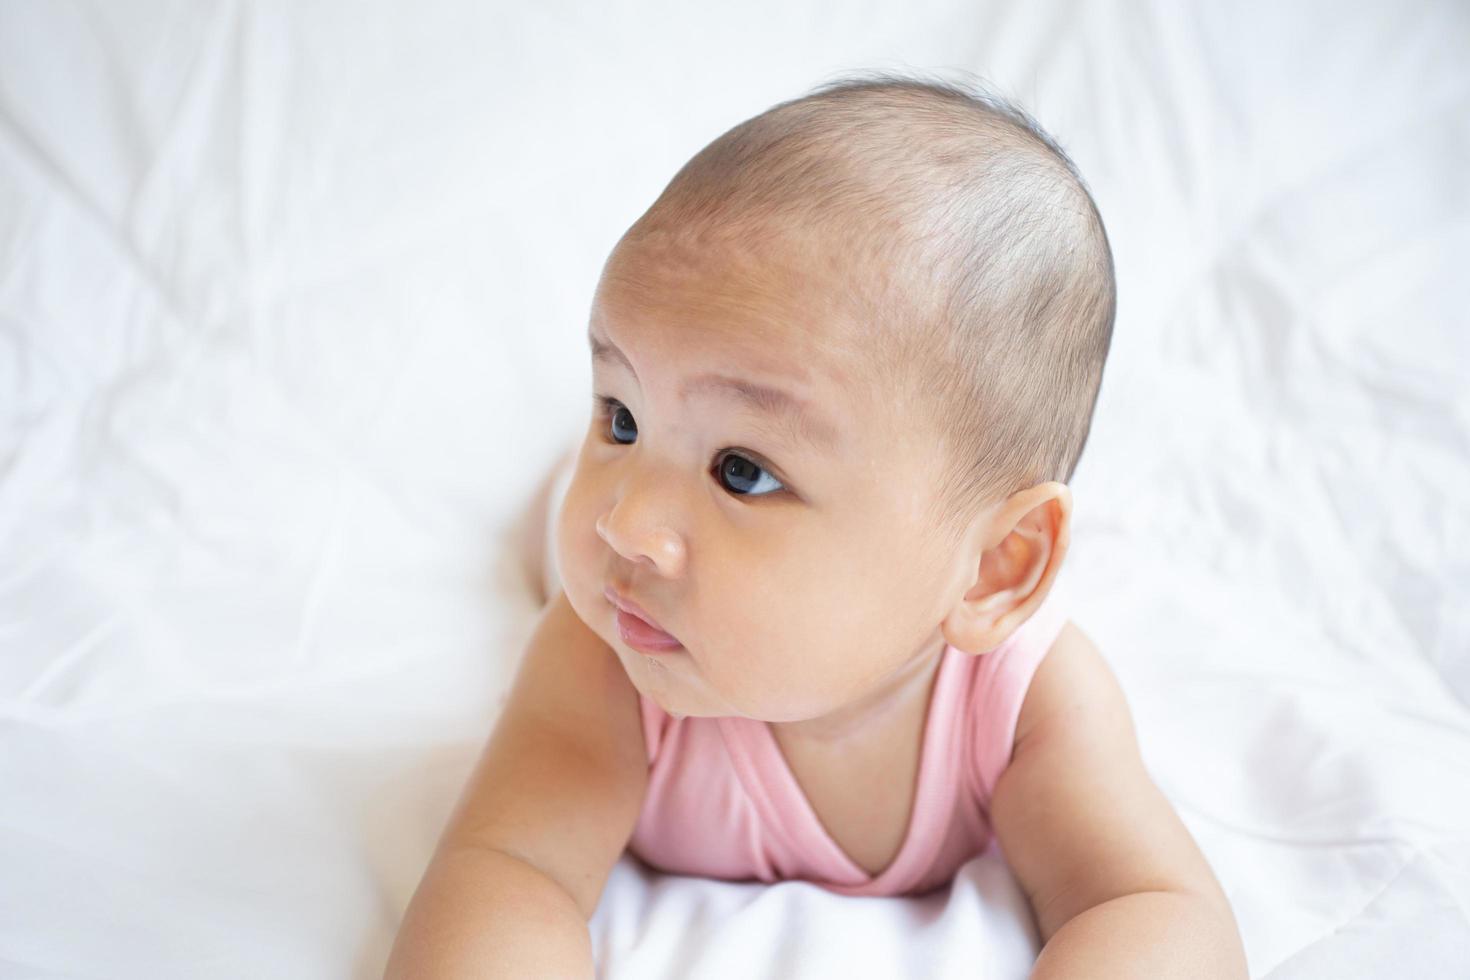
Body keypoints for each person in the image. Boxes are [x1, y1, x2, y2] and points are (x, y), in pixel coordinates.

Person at [385, 72, 1248, 979]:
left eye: (743, 472)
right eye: (619, 412)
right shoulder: (604, 653)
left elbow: (1148, 904)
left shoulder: (1025, 702)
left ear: (993, 570)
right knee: (551, 539)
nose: (628, 522)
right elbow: (511, 868)